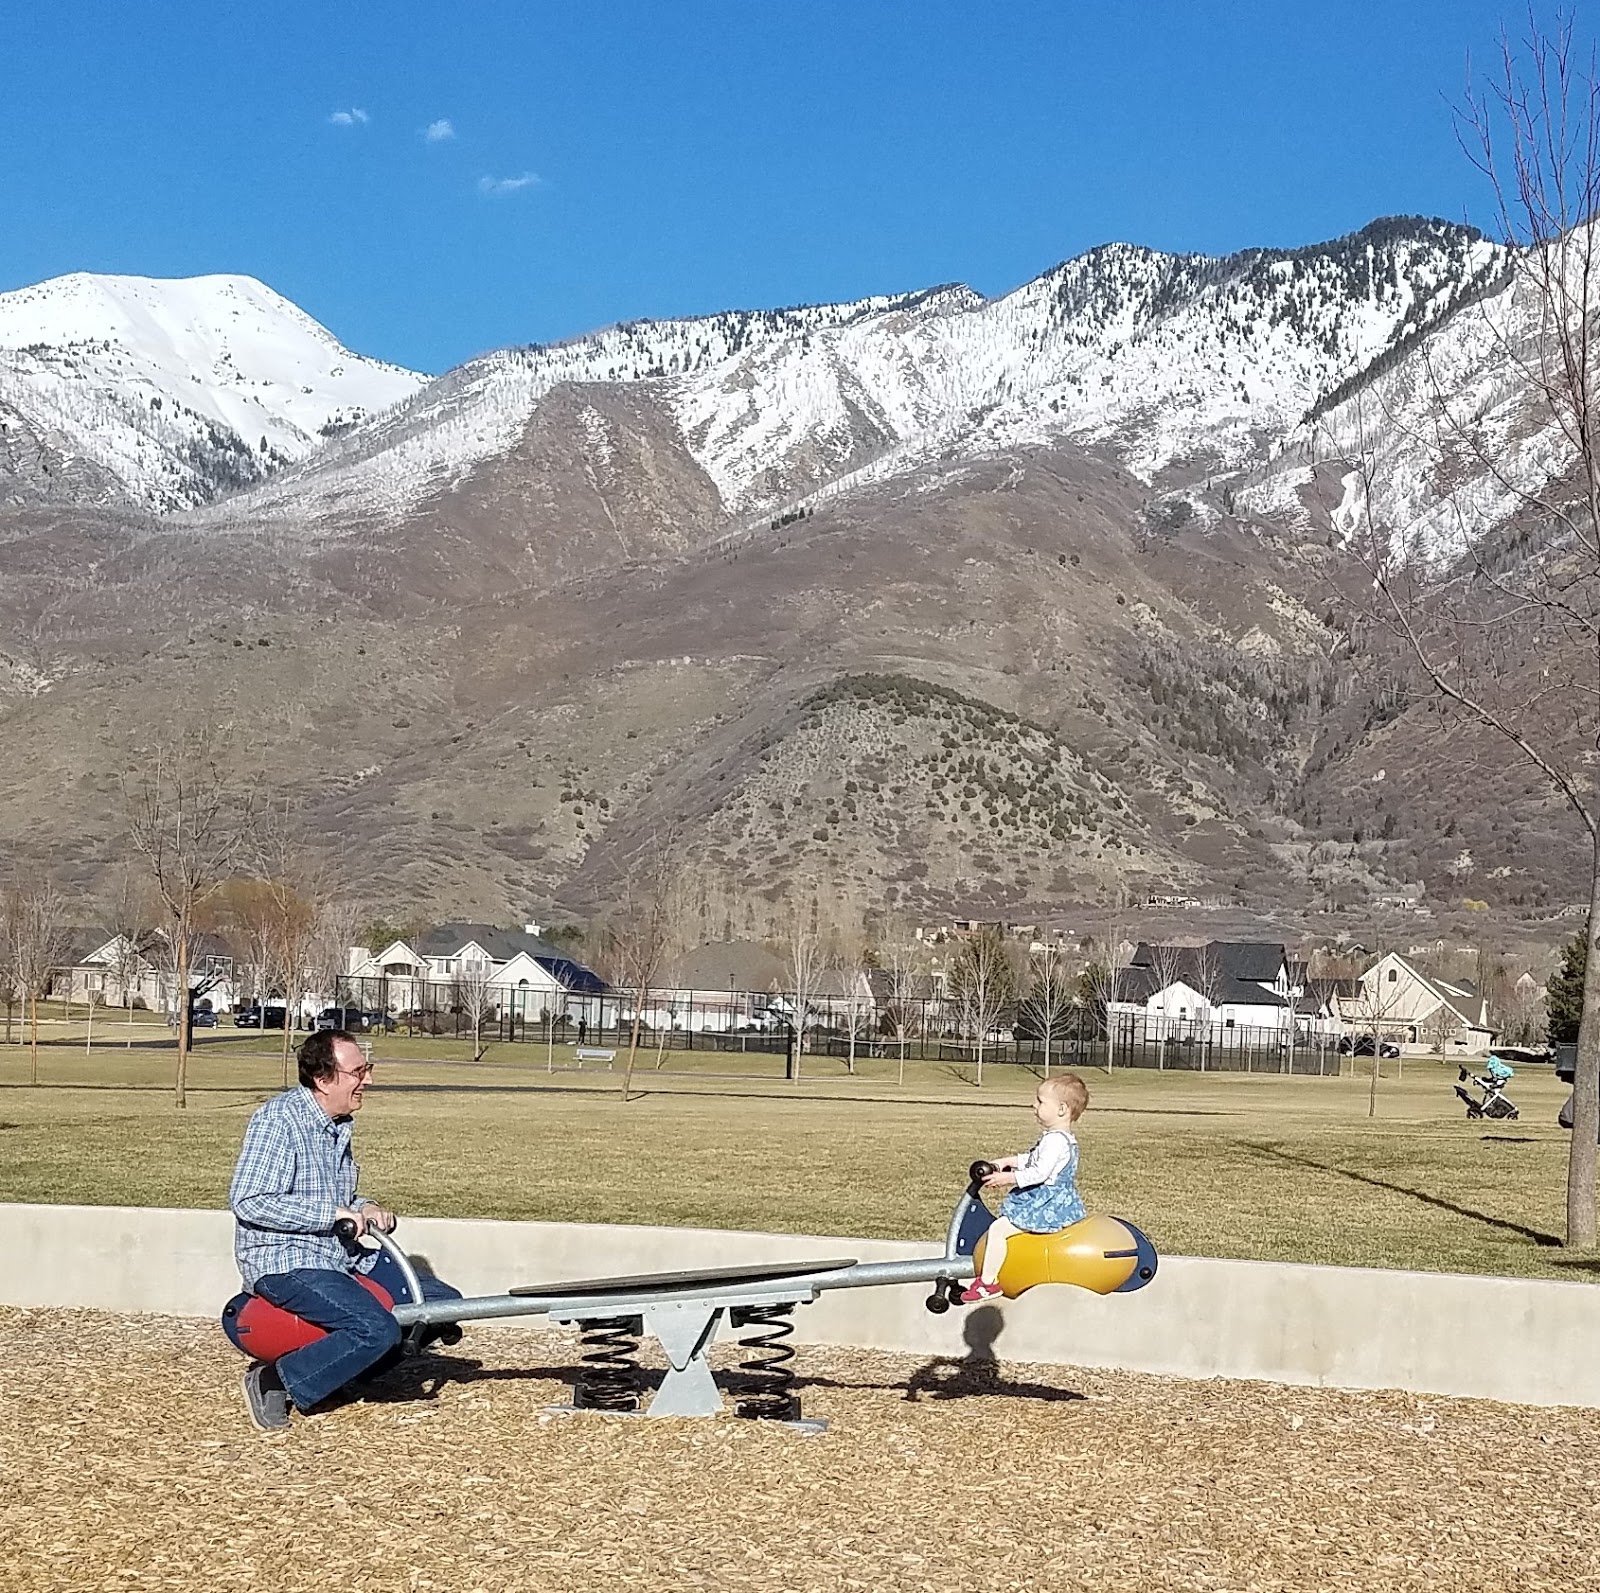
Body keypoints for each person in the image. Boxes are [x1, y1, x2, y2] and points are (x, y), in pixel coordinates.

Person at [229, 1029, 462, 1431]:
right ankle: (276, 1381)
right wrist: (331, 1214)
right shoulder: (279, 1121)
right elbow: (250, 1200)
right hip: (285, 1258)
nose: (367, 1080)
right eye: (358, 1071)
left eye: (365, 1069)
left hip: (336, 1255)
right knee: (377, 1329)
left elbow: (336, 1196)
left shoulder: (337, 1124)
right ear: (323, 1079)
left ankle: (341, 1374)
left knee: (443, 1303)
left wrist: (363, 1206)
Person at [959, 1073, 1089, 1304]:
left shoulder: (1055, 1141)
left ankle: (987, 1283)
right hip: (1054, 1201)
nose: (1034, 1105)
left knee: (999, 1229)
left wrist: (1007, 1178)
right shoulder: (1060, 1138)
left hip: (1046, 1205)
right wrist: (1007, 1161)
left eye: (1040, 1101)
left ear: (1061, 1109)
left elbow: (1039, 1172)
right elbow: (1032, 1159)